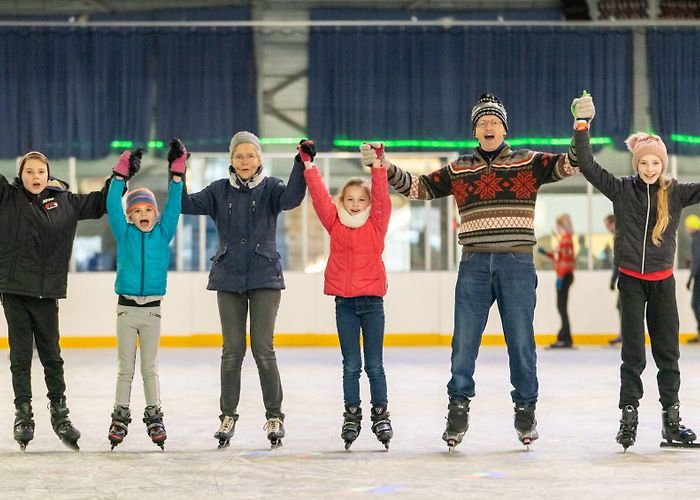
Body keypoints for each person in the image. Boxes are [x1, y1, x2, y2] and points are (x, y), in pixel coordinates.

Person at [375, 92, 579, 450]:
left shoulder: (528, 162)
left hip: (516, 263)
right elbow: (419, 188)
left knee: (521, 341)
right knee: (464, 343)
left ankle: (526, 408)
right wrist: (385, 167)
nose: (489, 127)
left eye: (495, 122)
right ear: (475, 130)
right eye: (483, 122)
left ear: (504, 128)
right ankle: (458, 407)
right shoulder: (459, 169)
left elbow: (571, 163)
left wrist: (581, 127)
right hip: (473, 264)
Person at [572, 92, 700, 450]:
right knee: (633, 355)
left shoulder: (675, 193)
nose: (649, 169)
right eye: (643, 163)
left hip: (663, 284)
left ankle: (671, 422)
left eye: (654, 164)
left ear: (663, 165)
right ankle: (628, 418)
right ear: (636, 163)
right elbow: (587, 164)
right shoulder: (621, 190)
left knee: (667, 354)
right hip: (631, 281)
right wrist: (582, 126)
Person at [181, 131, 306, 449]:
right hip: (228, 277)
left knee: (263, 349)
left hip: (264, 277)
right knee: (232, 351)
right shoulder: (218, 191)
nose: (245, 161)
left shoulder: (273, 188)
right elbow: (184, 203)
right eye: (239, 156)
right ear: (231, 160)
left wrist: (301, 163)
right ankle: (228, 415)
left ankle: (275, 415)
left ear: (260, 158)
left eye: (251, 155)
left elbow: (293, 199)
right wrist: (179, 170)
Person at [0, 151, 111, 450]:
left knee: (52, 356)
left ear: (48, 175)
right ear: (20, 175)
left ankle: (60, 413)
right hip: (14, 291)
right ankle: (23, 414)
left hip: (46, 292)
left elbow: (101, 203)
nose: (35, 177)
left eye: (40, 172)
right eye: (29, 172)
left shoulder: (65, 202)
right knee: (20, 357)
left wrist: (121, 177)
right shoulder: (7, 198)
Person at [303, 141, 393, 450]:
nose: (355, 204)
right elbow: (318, 199)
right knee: (351, 364)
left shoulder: (376, 225)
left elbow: (382, 198)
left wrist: (377, 165)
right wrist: (309, 166)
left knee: (375, 365)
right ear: (342, 201)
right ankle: (352, 413)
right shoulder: (335, 223)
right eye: (350, 199)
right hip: (344, 304)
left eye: (361, 199)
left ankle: (380, 413)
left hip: (372, 304)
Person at [105, 141, 186, 450]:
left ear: (155, 214)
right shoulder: (123, 234)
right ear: (129, 216)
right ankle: (120, 416)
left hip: (152, 311)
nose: (142, 213)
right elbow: (114, 203)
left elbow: (175, 207)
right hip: (126, 311)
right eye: (136, 210)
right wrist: (119, 177)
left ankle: (154, 416)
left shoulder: (162, 234)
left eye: (148, 209)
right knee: (125, 367)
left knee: (149, 368)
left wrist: (176, 176)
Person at [538, 214, 575, 348]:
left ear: (561, 225)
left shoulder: (565, 239)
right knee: (561, 307)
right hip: (565, 275)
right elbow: (559, 257)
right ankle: (565, 337)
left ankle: (565, 338)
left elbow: (565, 261)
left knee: (561, 307)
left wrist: (560, 276)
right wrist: (547, 254)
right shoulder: (565, 239)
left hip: (564, 276)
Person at [605, 214, 622, 346]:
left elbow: (618, 260)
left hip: (625, 275)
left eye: (607, 225)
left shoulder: (619, 235)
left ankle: (624, 335)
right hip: (624, 275)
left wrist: (613, 279)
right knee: (620, 306)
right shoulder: (619, 234)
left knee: (623, 306)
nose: (606, 228)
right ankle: (623, 334)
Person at [684, 214, 700, 343]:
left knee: (696, 305)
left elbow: (697, 260)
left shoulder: (697, 239)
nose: (685, 229)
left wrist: (691, 277)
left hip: (699, 277)